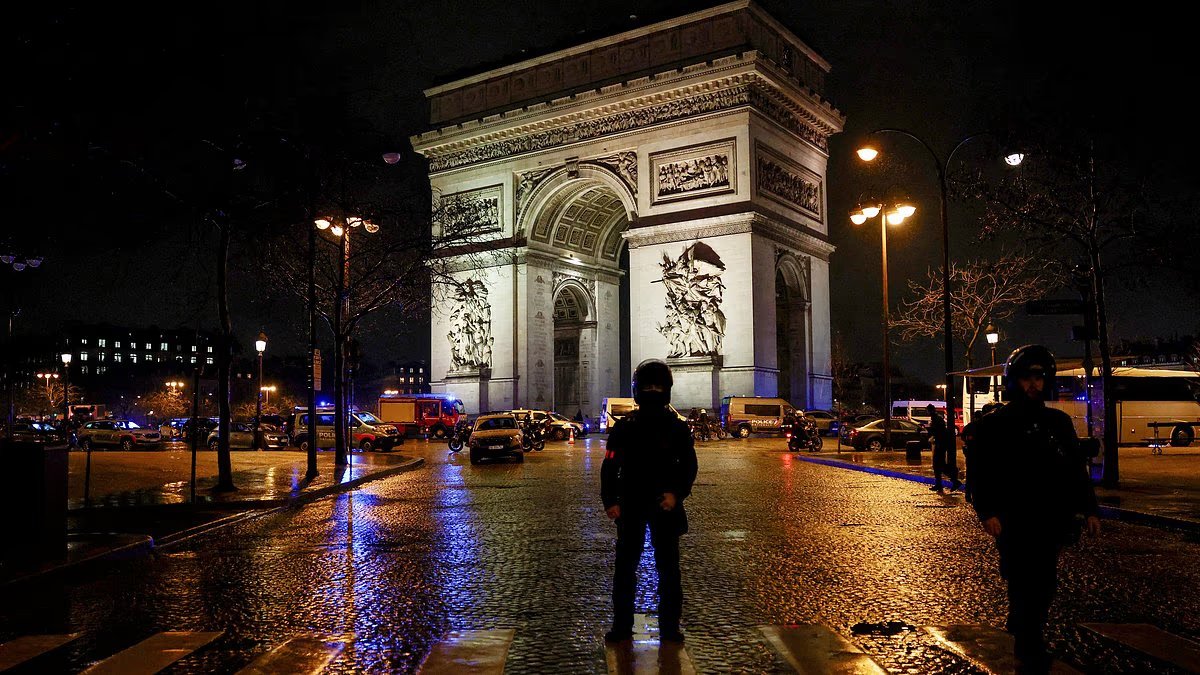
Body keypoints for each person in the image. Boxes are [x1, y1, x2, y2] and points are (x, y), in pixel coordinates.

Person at [970, 345, 1100, 673]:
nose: (1033, 384)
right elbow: (981, 472)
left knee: (1045, 583)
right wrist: (987, 512)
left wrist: (1090, 510)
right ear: (1014, 380)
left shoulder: (1058, 422)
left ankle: (1027, 630)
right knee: (1022, 579)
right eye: (1027, 377)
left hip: (1050, 518)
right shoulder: (995, 424)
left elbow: (1075, 469)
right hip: (1014, 519)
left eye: (1039, 377)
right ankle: (1028, 643)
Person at [601, 359, 698, 643]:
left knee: (653, 570)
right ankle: (645, 627)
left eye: (656, 387)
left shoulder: (631, 427)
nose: (653, 392)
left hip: (648, 503)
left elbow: (689, 466)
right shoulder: (669, 427)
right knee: (645, 571)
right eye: (649, 387)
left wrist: (676, 494)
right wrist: (611, 501)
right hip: (644, 504)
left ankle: (650, 627)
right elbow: (609, 466)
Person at [927, 404, 960, 493]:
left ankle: (954, 481)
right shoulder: (937, 418)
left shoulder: (937, 419)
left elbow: (939, 432)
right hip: (940, 444)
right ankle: (940, 484)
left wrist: (933, 434)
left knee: (939, 465)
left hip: (940, 444)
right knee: (938, 465)